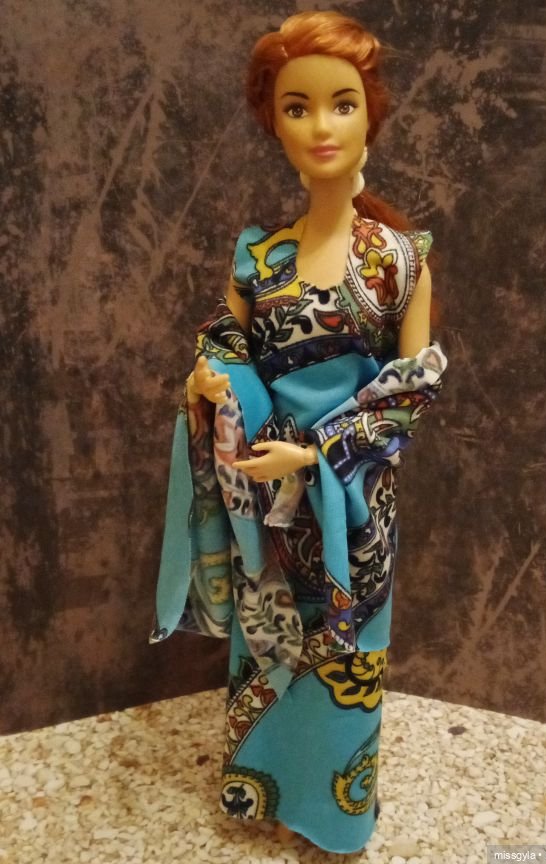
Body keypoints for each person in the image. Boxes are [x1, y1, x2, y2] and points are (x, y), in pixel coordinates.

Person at [149, 10, 448, 855]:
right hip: (265, 513)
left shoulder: (401, 260)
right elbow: (224, 343)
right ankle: (268, 792)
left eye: (341, 103)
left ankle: (338, 812)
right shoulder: (258, 256)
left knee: (348, 663)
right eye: (297, 106)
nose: (322, 125)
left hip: (353, 510)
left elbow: (412, 390)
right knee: (267, 646)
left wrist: (316, 456)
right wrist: (208, 382)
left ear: (370, 114)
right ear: (272, 123)